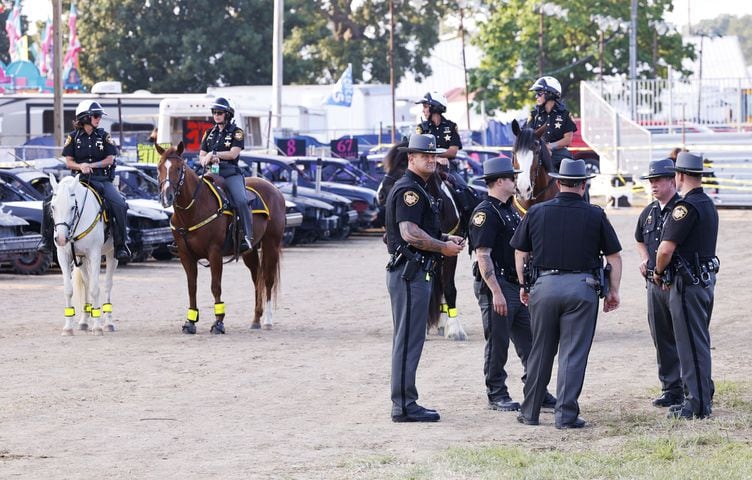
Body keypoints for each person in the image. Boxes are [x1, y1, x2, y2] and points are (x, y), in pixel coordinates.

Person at [511, 158, 622, 429]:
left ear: (558, 183)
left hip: (544, 287)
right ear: (583, 186)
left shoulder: (536, 212)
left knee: (540, 351)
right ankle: (566, 415)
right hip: (581, 289)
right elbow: (614, 258)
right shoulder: (595, 214)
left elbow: (520, 252)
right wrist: (613, 291)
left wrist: (524, 285)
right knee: (572, 353)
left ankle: (530, 412)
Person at [385, 134, 465, 422]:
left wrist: (444, 237)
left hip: (416, 272)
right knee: (408, 339)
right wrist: (443, 247)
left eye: (433, 155)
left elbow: (420, 229)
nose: (431, 159)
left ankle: (406, 402)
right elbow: (408, 233)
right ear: (411, 159)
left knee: (412, 338)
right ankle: (404, 405)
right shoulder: (410, 190)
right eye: (425, 155)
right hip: (410, 272)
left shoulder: (421, 187)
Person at [468, 156, 557, 412]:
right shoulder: (486, 212)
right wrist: (496, 292)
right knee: (498, 342)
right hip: (496, 285)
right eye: (511, 177)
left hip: (513, 284)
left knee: (530, 341)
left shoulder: (509, 209)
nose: (516, 181)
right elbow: (483, 255)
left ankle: (537, 389)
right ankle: (496, 393)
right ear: (498, 182)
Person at [653, 152, 719, 420]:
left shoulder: (685, 207)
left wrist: (658, 272)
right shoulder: (708, 203)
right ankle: (703, 393)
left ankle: (697, 404)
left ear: (679, 176)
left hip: (687, 282)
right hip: (703, 279)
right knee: (698, 340)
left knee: (689, 344)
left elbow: (665, 250)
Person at [38, 100, 131, 261]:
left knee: (120, 204)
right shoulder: (73, 137)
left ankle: (121, 245)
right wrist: (81, 166)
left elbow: (110, 159)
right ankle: (46, 241)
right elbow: (69, 161)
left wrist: (92, 165)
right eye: (96, 116)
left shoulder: (104, 136)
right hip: (78, 180)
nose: (98, 119)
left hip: (101, 179)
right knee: (48, 202)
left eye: (99, 116)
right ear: (85, 118)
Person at [635, 158, 683, 408]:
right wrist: (644, 259)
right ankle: (671, 388)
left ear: (671, 180)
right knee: (661, 337)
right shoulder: (649, 212)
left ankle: (691, 385)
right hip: (654, 284)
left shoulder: (681, 209)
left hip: (676, 282)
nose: (653, 185)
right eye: (651, 181)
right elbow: (639, 238)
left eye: (658, 180)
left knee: (683, 336)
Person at [199, 97, 253, 249]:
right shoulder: (208, 133)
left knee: (241, 200)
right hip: (211, 172)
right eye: (214, 112)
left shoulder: (237, 132)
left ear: (227, 114)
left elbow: (233, 154)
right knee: (190, 193)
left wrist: (215, 154)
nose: (216, 115)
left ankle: (247, 236)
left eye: (220, 113)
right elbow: (201, 156)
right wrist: (206, 160)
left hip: (230, 173)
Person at [528, 76, 577, 172]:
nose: (536, 96)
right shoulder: (533, 115)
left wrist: (550, 146)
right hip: (537, 152)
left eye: (539, 93)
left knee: (570, 169)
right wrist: (542, 148)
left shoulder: (565, 115)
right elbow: (527, 136)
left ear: (550, 94)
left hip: (559, 154)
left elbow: (568, 139)